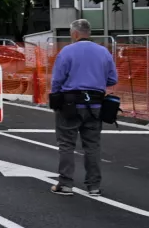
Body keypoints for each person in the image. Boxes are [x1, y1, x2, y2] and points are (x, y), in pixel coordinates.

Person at [49, 19, 118, 197]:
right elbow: (112, 79)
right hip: (95, 105)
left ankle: (65, 184)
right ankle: (93, 186)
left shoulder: (67, 51)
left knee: (66, 144)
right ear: (89, 33)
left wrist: (56, 97)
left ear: (74, 34)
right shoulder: (104, 52)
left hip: (70, 104)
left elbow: (57, 79)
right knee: (92, 146)